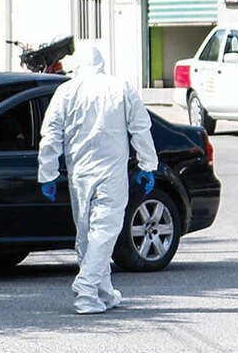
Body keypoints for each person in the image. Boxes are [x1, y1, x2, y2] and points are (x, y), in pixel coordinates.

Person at [36, 47, 157, 315]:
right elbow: (140, 127)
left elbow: (51, 134)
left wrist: (48, 173)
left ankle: (102, 293)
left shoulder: (66, 91)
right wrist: (148, 165)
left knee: (87, 234)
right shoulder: (120, 87)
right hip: (112, 173)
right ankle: (87, 287)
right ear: (102, 63)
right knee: (106, 230)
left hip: (79, 174)